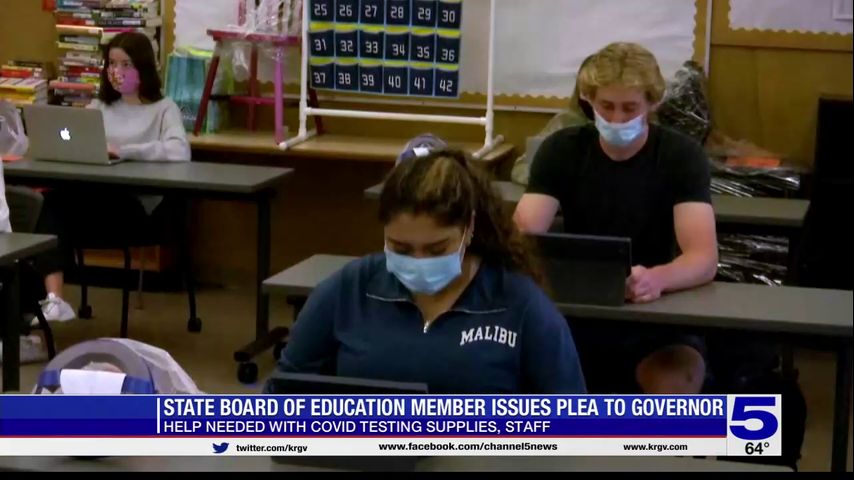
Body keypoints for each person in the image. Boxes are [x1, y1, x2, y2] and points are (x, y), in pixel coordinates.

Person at [266, 148, 586, 394]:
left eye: (436, 249)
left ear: (469, 229)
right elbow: (283, 393)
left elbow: (572, 422)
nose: (418, 260)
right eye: (401, 248)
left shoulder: (519, 304)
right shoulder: (349, 289)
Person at [513, 42, 718, 394]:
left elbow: (703, 258)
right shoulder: (561, 150)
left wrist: (656, 279)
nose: (617, 119)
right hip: (574, 309)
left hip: (660, 313)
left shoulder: (681, 156)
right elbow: (521, 235)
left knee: (674, 379)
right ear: (588, 100)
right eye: (606, 106)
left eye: (629, 108)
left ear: (652, 104)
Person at [34, 32, 191, 323]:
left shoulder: (164, 108)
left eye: (126, 64)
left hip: (136, 207)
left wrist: (125, 151)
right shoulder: (100, 106)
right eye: (112, 63)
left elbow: (179, 150)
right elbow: (75, 137)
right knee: (50, 204)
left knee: (59, 209)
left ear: (143, 67)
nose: (117, 71)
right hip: (96, 197)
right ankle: (55, 299)